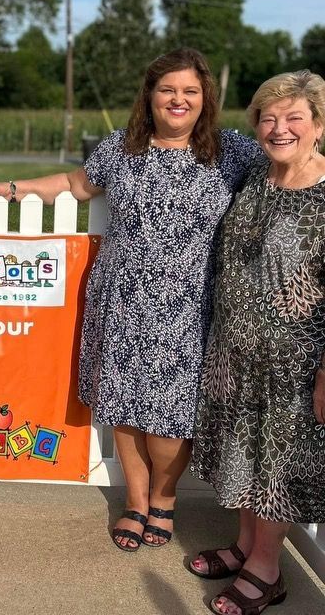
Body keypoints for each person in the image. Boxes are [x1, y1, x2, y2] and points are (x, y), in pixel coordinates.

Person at [0, 48, 260, 552]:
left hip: (191, 303)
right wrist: (17, 189)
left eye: (190, 91)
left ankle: (164, 499)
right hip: (122, 296)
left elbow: (289, 161)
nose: (178, 99)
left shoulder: (232, 152)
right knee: (125, 404)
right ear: (150, 96)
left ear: (205, 99)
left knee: (172, 411)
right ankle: (135, 501)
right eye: (167, 89)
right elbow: (74, 184)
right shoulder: (123, 148)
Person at [189, 70, 325, 615]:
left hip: (293, 365)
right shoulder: (257, 179)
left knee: (275, 466)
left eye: (294, 117)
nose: (279, 128)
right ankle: (247, 547)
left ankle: (267, 571)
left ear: (318, 125)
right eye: (268, 118)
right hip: (234, 352)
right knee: (241, 458)